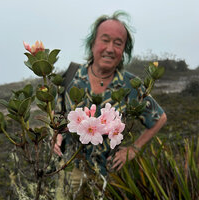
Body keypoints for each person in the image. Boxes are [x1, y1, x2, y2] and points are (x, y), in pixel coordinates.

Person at [54, 10, 167, 199]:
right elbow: (59, 110)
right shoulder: (72, 75)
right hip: (70, 169)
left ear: (123, 51)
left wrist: (134, 149)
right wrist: (56, 133)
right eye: (104, 40)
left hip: (109, 176)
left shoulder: (130, 85)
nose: (110, 48)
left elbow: (160, 118)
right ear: (92, 44)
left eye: (118, 43)